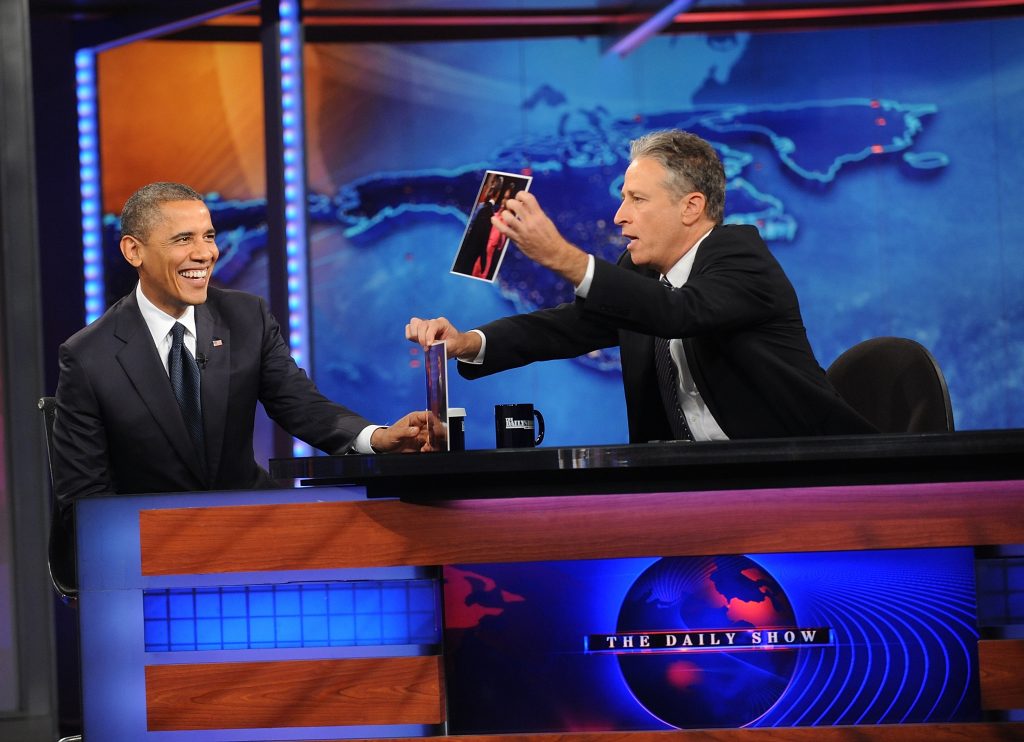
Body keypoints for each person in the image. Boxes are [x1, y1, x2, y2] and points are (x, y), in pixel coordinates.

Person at [50, 182, 429, 587]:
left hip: (251, 532)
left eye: (209, 236)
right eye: (183, 239)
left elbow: (301, 405)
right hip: (153, 557)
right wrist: (152, 560)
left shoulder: (246, 316)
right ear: (133, 251)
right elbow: (86, 499)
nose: (205, 253)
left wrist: (377, 437)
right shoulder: (89, 357)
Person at [406, 129, 877, 444]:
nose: (619, 216)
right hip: (689, 489)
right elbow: (572, 326)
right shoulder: (642, 271)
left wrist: (560, 256)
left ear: (691, 207)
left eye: (637, 199)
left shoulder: (741, 256)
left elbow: (678, 313)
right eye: (621, 199)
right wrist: (469, 343)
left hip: (812, 476)